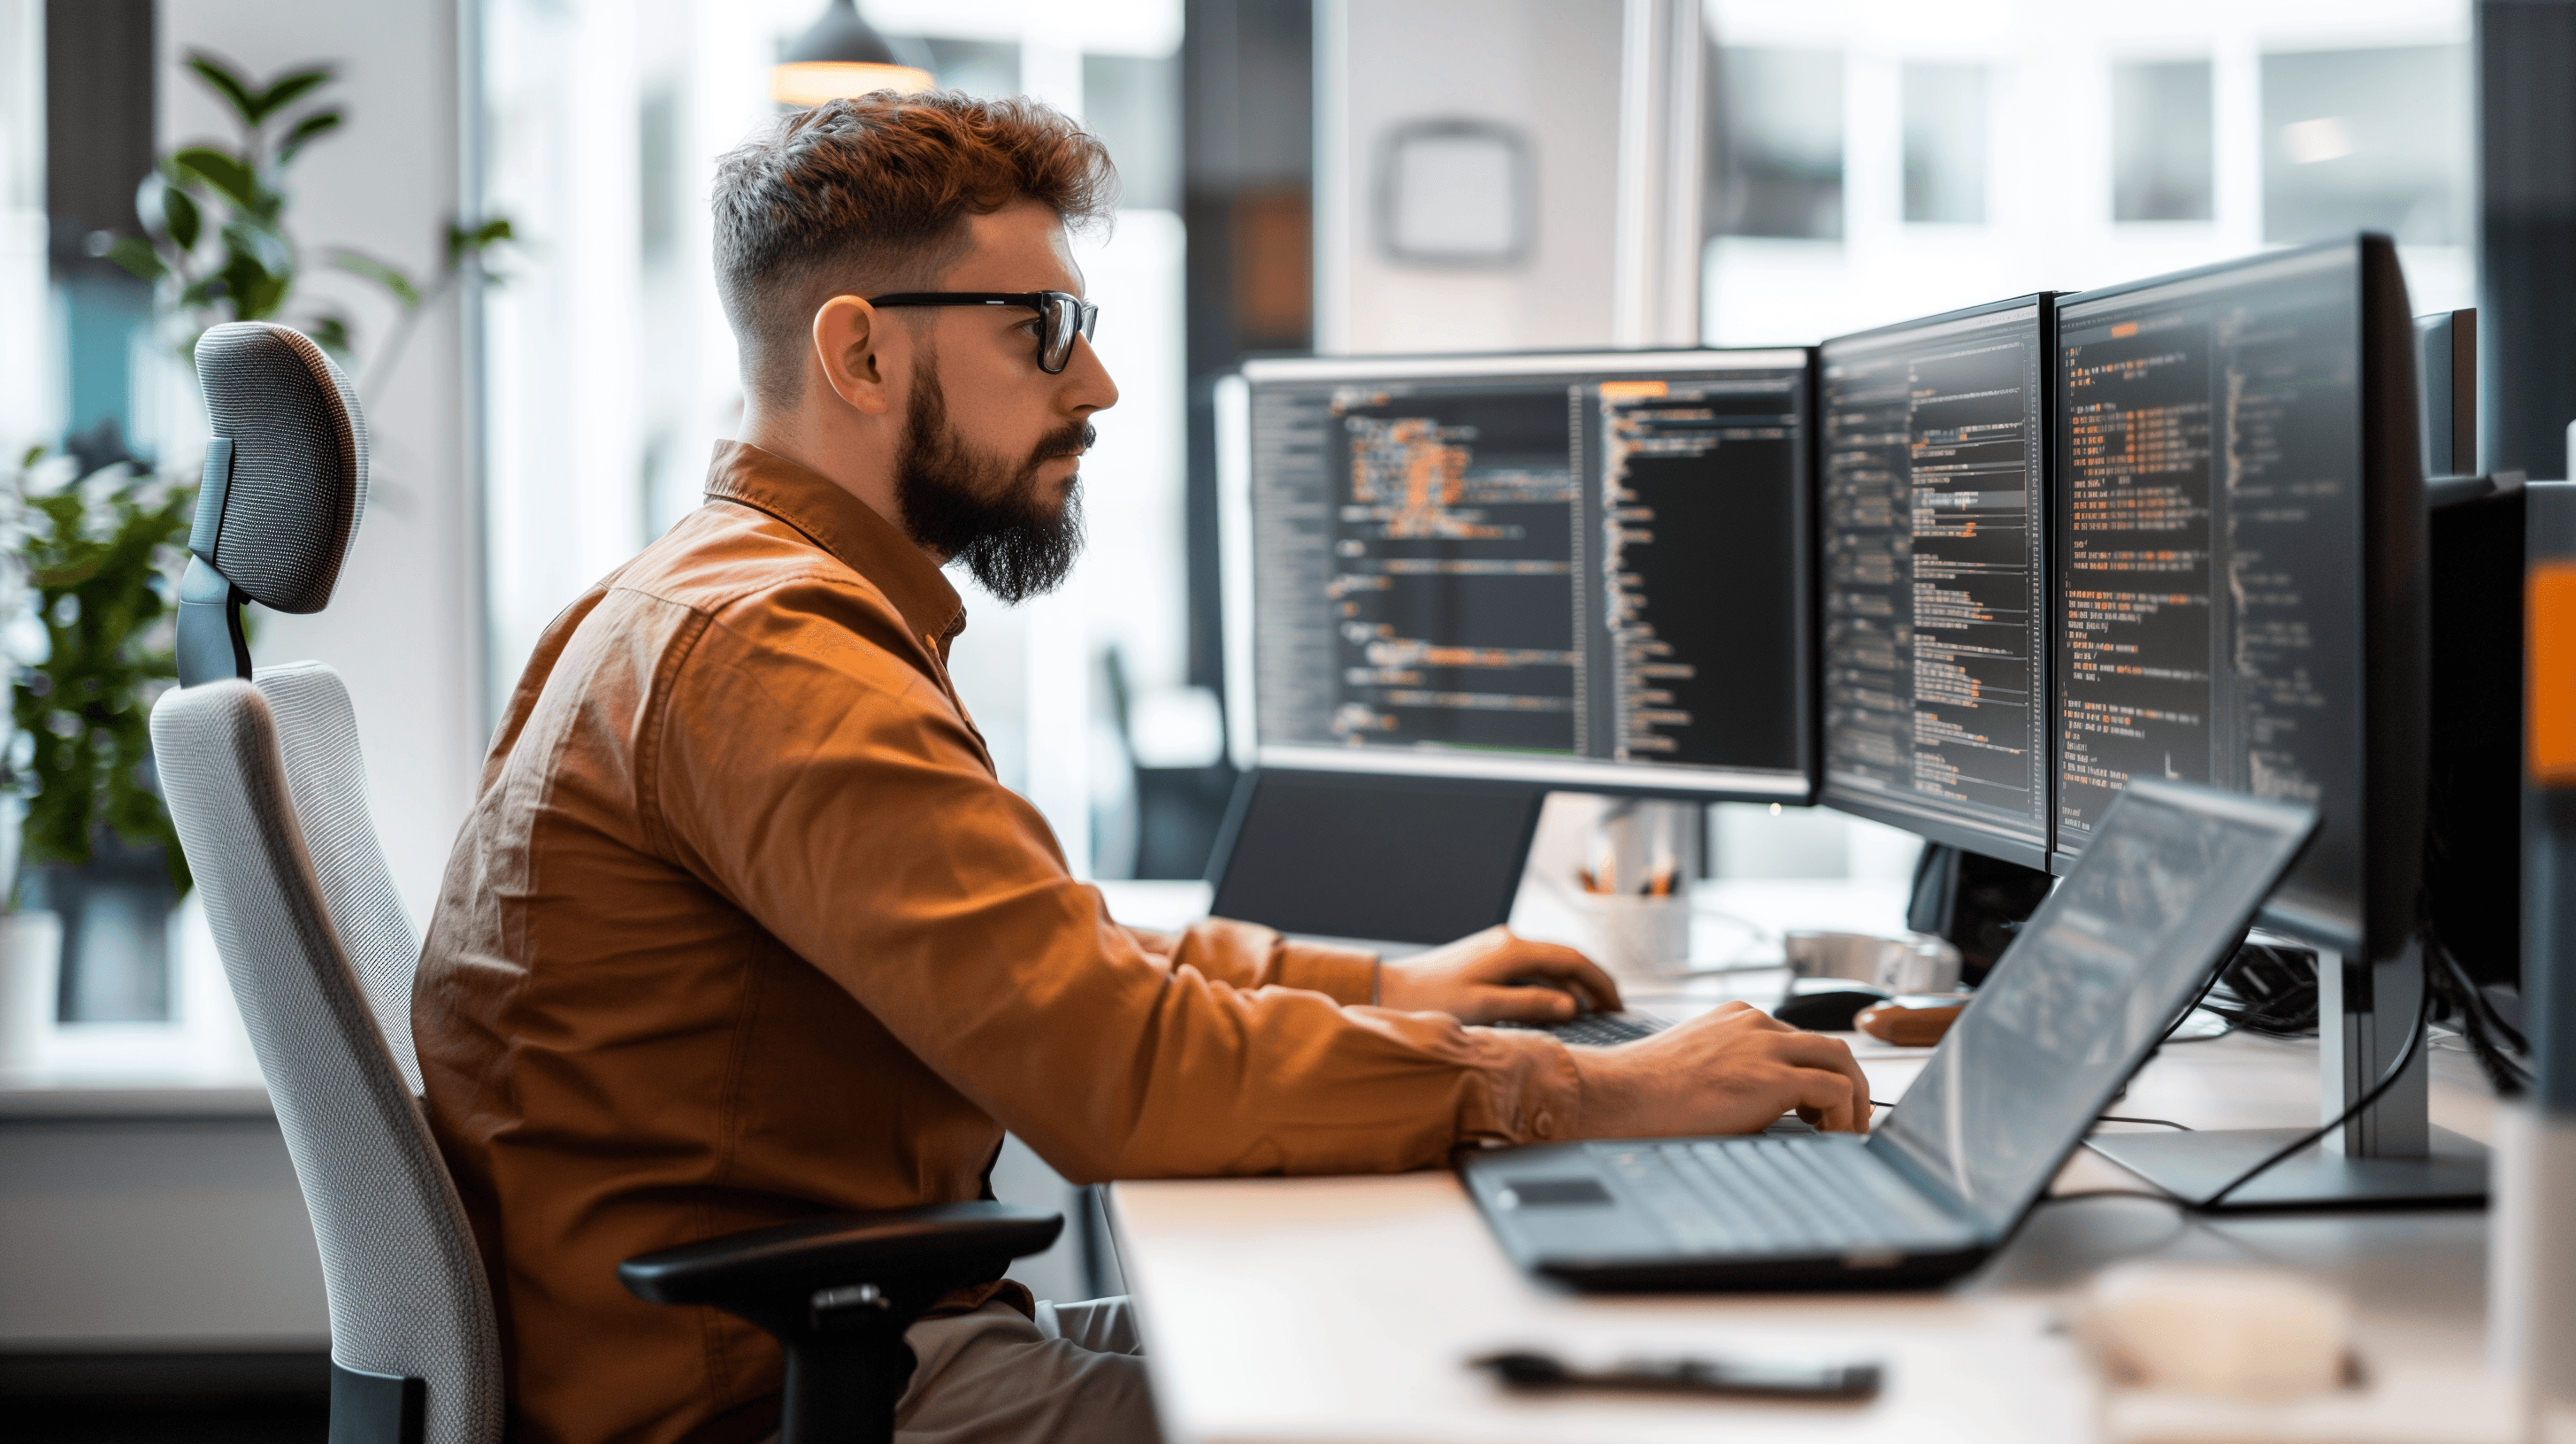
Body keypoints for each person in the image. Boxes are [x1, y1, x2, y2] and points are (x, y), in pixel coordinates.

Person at [411, 90, 1872, 1444]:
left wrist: (1382, 990)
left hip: (811, 1343)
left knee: (1432, 1332)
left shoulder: (716, 599)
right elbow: (1113, 1073)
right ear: (859, 352)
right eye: (1040, 327)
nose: (1098, 381)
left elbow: (1033, 953)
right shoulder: (771, 653)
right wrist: (1591, 1092)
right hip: (770, 1392)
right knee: (1488, 1405)